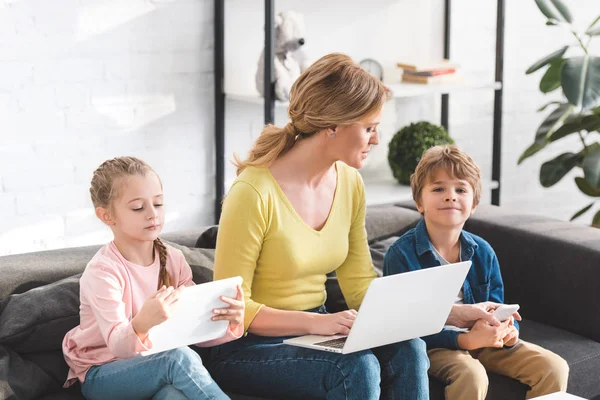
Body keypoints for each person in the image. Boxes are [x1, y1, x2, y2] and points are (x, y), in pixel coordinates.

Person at [209, 53, 501, 400]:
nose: (376, 140)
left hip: (315, 330)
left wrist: (455, 312)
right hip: (246, 347)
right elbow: (234, 310)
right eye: (369, 128)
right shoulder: (253, 192)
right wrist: (317, 324)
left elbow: (362, 286)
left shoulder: (348, 183)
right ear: (333, 125)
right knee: (355, 366)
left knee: (409, 347)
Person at [383, 145, 569, 399]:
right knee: (472, 375)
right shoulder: (401, 254)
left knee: (554, 368)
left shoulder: (482, 250)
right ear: (419, 202)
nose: (450, 196)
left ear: (474, 204)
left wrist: (508, 330)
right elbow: (406, 326)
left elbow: (498, 305)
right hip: (434, 345)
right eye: (438, 189)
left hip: (485, 339)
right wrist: (465, 341)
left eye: (460, 189)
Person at [62, 156, 244, 400]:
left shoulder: (174, 259)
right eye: (138, 207)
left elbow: (191, 332)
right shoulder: (103, 272)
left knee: (173, 396)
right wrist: (142, 323)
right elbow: (118, 346)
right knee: (177, 358)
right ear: (107, 216)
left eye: (158, 204)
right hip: (102, 374)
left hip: (153, 366)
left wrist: (228, 322)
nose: (152, 214)